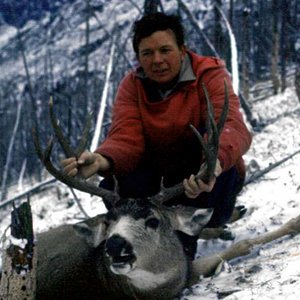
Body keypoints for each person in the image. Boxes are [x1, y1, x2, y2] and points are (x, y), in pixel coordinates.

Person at [62, 12, 252, 258]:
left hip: (205, 176)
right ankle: (149, 240)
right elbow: (126, 136)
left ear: (182, 49)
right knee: (113, 185)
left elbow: (230, 125)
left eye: (165, 50)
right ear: (138, 57)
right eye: (147, 53)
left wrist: (213, 165)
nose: (157, 60)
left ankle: (195, 233)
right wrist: (101, 160)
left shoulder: (209, 74)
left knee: (213, 183)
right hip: (161, 179)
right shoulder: (133, 86)